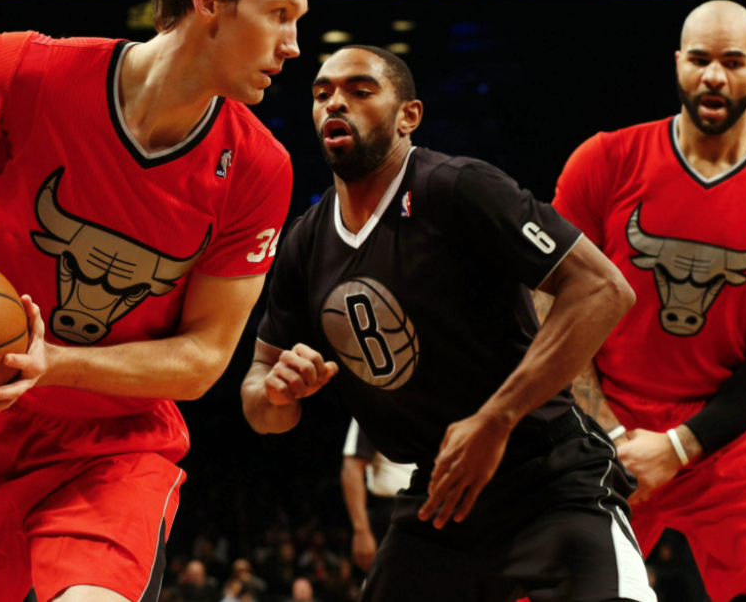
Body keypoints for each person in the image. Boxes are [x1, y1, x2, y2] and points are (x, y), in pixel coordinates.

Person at [0, 0, 334, 602]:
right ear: (209, 0)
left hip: (114, 446)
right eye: (279, 13)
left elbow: (203, 359)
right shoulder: (34, 71)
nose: (293, 43)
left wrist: (55, 363)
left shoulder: (260, 166)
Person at [241, 46, 654, 601]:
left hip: (549, 474)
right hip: (440, 493)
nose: (336, 101)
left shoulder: (457, 187)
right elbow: (262, 403)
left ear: (408, 115)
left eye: (361, 90)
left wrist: (496, 419)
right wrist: (275, 393)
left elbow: (604, 289)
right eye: (322, 93)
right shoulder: (304, 242)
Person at [552, 0, 746, 602]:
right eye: (701, 60)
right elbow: (548, 306)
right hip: (604, 421)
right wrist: (605, 427)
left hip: (726, 429)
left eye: (732, 62)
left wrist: (682, 444)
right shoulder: (604, 160)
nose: (714, 75)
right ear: (678, 65)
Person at [340, 418, 415, 572]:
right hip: (395, 513)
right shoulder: (374, 401)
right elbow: (352, 467)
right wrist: (361, 531)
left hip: (441, 509)